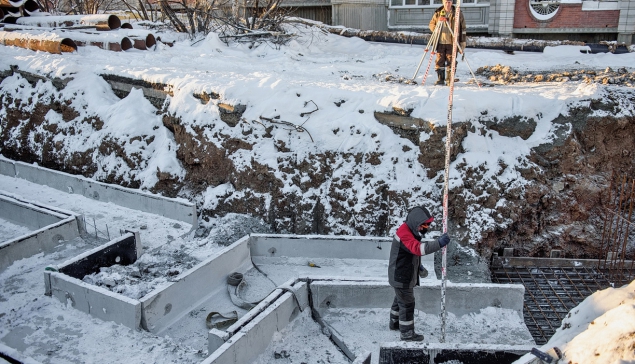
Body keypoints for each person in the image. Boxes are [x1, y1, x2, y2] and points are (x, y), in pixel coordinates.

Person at [387, 206, 451, 341]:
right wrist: (438, 243)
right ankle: (407, 333)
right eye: (423, 225)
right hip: (401, 275)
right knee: (407, 303)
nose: (424, 228)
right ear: (416, 222)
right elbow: (417, 249)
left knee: (400, 299)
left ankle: (394, 322)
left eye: (427, 225)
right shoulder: (405, 233)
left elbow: (408, 253)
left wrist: (418, 266)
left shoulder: (409, 230)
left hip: (401, 273)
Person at [428, 0, 467, 85]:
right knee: (439, 60)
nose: (447, 4)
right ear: (443, 2)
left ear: (452, 2)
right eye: (446, 2)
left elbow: (463, 28)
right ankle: (440, 79)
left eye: (449, 2)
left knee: (451, 61)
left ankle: (449, 79)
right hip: (440, 41)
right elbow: (431, 24)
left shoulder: (457, 13)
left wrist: (462, 42)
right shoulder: (438, 12)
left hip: (452, 42)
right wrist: (435, 28)